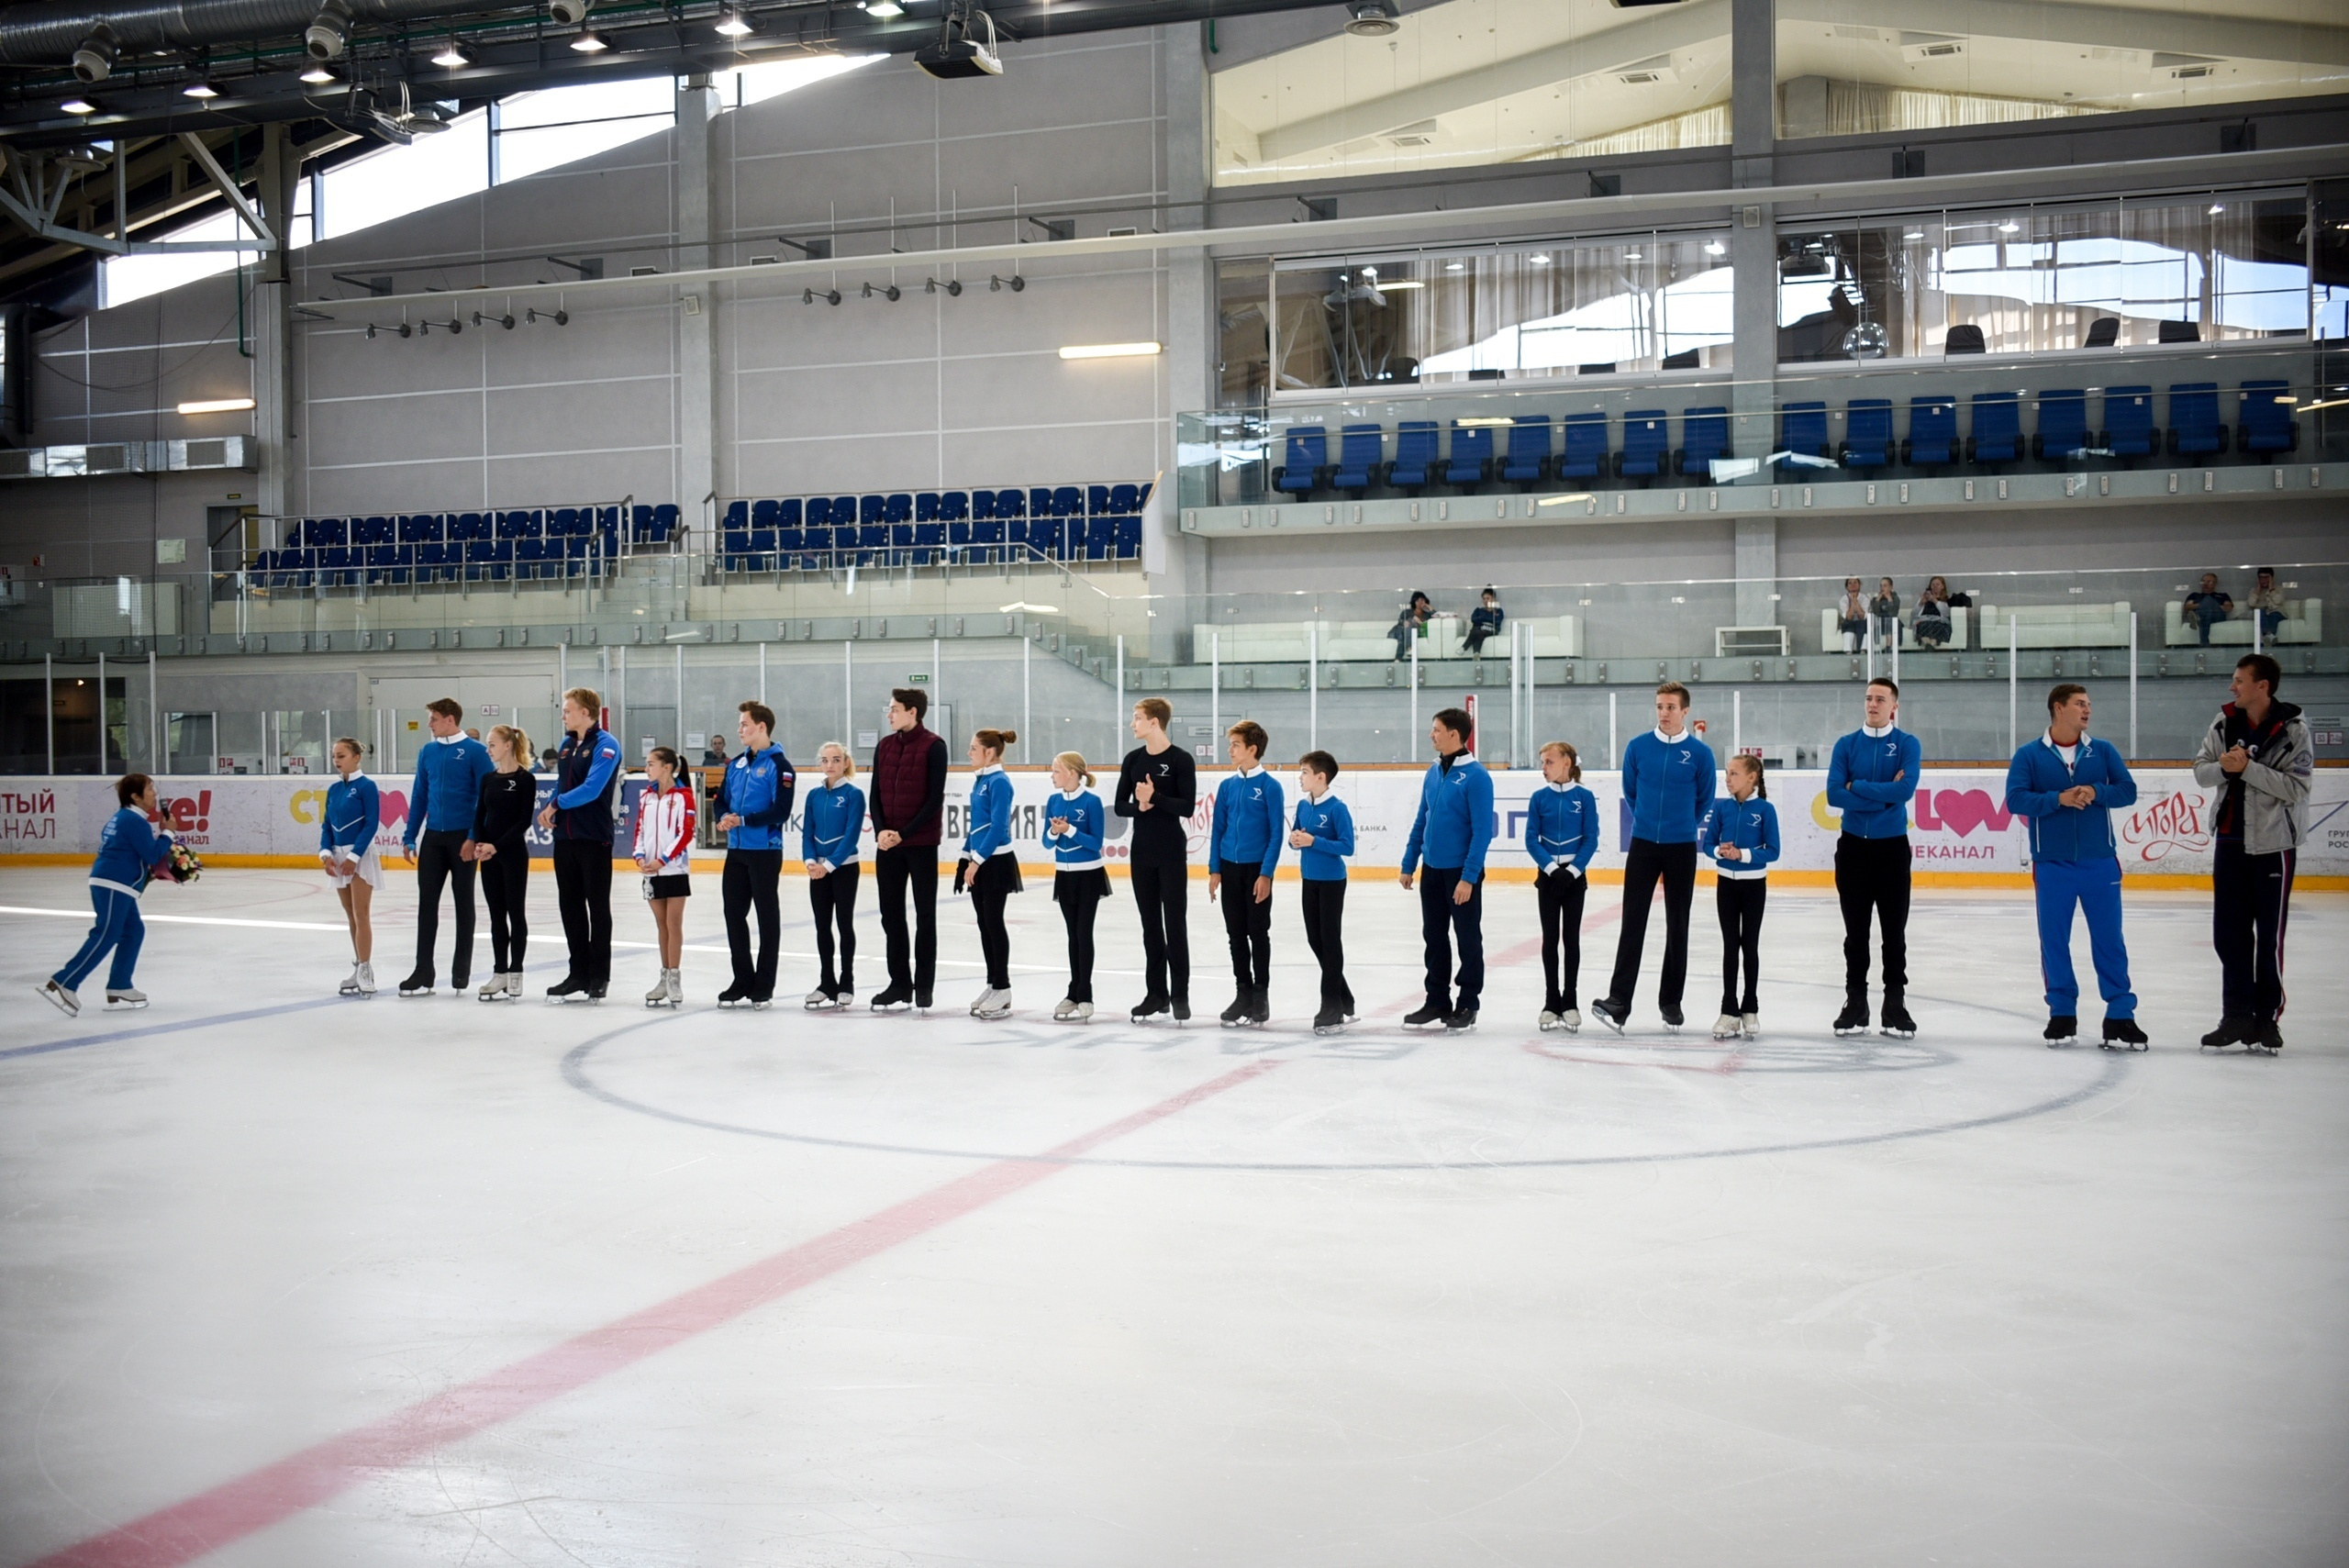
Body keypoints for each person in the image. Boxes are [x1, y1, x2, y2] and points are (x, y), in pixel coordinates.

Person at [2005, 684, 2144, 1050]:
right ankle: (2062, 1012)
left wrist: (2098, 792)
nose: (2087, 711)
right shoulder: (2030, 756)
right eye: (2080, 704)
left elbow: (2127, 791)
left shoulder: (2103, 751)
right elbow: (2015, 799)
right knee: (2054, 941)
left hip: (2100, 863)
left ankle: (2120, 1014)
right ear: (2059, 708)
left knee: (2109, 940)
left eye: (2089, 705)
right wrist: (2058, 799)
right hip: (2052, 865)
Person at [2193, 653, 2312, 1054]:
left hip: (2273, 845)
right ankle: (2236, 1014)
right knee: (2229, 935)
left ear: (2263, 685)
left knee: (2269, 939)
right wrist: (2226, 768)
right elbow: (2201, 770)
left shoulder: (2293, 730)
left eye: (2239, 680)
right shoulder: (2225, 722)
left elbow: (2297, 787)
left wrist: (2246, 770)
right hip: (2229, 841)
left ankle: (2266, 1019)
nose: (2232, 687)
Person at [1592, 684, 1715, 1035]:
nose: (1664, 712)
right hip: (1644, 844)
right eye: (1660, 706)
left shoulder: (1699, 754)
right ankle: (1619, 1001)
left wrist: (1682, 826)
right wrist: (1647, 820)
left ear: (1685, 711)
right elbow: (1631, 791)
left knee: (1678, 923)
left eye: (1671, 707)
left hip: (1680, 846)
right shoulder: (1638, 747)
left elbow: (1704, 798)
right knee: (1633, 921)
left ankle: (1671, 1001)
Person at [39, 773, 178, 1017]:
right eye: (149, 789)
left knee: (133, 931)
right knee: (107, 933)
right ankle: (65, 981)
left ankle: (120, 984)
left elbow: (130, 852)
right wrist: (168, 833)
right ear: (135, 796)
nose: (154, 794)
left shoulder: (124, 818)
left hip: (115, 883)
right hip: (114, 883)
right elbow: (152, 854)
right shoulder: (133, 821)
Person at [1827, 675, 1920, 1039]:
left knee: (1894, 933)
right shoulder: (1847, 745)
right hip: (1853, 849)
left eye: (1881, 699)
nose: (1873, 704)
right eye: (1868, 698)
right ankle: (1856, 1002)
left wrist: (1860, 788)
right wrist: (1884, 795)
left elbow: (1905, 789)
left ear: (1894, 706)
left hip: (1892, 849)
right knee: (1856, 934)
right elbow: (1834, 793)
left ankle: (1894, 1003)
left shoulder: (1908, 744)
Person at [1399, 706, 1493, 1032]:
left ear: (1455, 734)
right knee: (1434, 937)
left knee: (1467, 938)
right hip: (1432, 871)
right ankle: (1437, 999)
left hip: (1460, 874)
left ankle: (1468, 1002)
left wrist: (1468, 878)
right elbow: (1422, 819)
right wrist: (1409, 862)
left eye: (1437, 729)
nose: (1431, 735)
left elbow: (1482, 832)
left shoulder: (1477, 776)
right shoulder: (1434, 771)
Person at [398, 696, 493, 997]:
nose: (429, 724)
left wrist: (472, 836)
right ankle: (423, 969)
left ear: (450, 719)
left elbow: (484, 797)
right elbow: (419, 796)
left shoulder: (476, 752)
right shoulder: (427, 752)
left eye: (434, 718)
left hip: (461, 838)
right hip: (433, 838)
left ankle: (461, 968)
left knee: (464, 902)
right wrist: (410, 835)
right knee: (427, 904)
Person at [537, 686, 623, 1002]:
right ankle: (578, 973)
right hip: (565, 838)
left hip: (594, 837)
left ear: (586, 712)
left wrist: (556, 804)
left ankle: (599, 976)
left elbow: (591, 789)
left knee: (598, 908)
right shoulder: (566, 745)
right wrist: (550, 805)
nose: (563, 714)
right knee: (570, 906)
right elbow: (563, 783)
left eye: (568, 709)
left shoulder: (606, 745)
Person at [1116, 696, 1198, 1023]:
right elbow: (1120, 805)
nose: (1132, 724)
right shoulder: (1133, 759)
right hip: (1142, 852)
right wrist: (1141, 807)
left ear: (1155, 722)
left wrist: (1156, 797)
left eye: (1137, 718)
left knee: (1174, 924)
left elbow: (1187, 806)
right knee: (1150, 926)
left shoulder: (1180, 760)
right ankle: (1156, 994)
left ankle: (1180, 994)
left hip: (1171, 852)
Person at [868, 687, 948, 1012]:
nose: (889, 714)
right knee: (891, 916)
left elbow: (934, 799)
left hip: (921, 845)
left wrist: (903, 833)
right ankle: (900, 983)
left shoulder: (934, 746)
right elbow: (875, 793)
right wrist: (882, 832)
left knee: (925, 916)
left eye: (894, 709)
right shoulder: (884, 746)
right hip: (888, 845)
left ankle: (924, 986)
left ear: (913, 711)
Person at [713, 700, 795, 1009]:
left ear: (761, 727)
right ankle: (742, 978)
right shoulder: (736, 764)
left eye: (744, 724)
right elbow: (721, 799)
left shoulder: (779, 766)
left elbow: (780, 811)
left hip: (764, 851)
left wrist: (743, 820)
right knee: (733, 915)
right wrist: (723, 817)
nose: (739, 730)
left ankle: (764, 983)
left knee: (766, 917)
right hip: (736, 850)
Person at [1699, 754, 1779, 1041]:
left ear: (1752, 777)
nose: (1728, 778)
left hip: (1753, 886)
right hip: (1726, 886)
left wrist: (1742, 855)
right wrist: (1719, 852)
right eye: (1727, 773)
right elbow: (1708, 844)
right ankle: (1729, 1010)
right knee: (1730, 946)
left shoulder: (1765, 810)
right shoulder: (1722, 809)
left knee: (1750, 946)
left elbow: (1773, 851)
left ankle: (1750, 1008)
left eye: (1734, 773)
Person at [1208, 720, 1284, 1028]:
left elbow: (1277, 834)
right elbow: (1218, 830)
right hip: (1229, 867)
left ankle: (1260, 993)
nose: (1230, 750)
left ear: (1252, 749)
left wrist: (1265, 874)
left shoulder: (1270, 787)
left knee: (1258, 932)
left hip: (1256, 870)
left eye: (1235, 745)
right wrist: (1215, 869)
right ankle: (1242, 992)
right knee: (1235, 934)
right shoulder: (1227, 787)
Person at [1524, 740, 1599, 1033]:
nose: (1543, 768)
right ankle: (1550, 1001)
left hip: (1574, 879)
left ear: (1567, 763)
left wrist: (1574, 871)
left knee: (1571, 939)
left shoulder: (1585, 797)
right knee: (1549, 939)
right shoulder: (1539, 798)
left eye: (1549, 762)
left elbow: (1590, 838)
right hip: (1548, 877)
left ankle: (1570, 1001)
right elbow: (1532, 839)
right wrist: (1552, 869)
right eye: (1542, 762)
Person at [1288, 749, 1356, 1035]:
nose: (1300, 777)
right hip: (1309, 879)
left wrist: (1314, 841)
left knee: (1330, 940)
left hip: (1331, 881)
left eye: (1304, 772)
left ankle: (1332, 1005)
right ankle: (1345, 996)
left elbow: (1347, 847)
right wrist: (1295, 840)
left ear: (1321, 776)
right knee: (1315, 939)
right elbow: (1295, 838)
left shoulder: (1337, 809)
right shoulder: (1304, 806)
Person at [469, 723, 538, 1001]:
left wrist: (496, 846)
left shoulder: (525, 780)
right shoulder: (488, 779)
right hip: (489, 856)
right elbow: (479, 814)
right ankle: (500, 973)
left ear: (508, 745)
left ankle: (516, 971)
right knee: (496, 915)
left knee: (515, 913)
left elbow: (523, 821)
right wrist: (480, 845)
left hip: (512, 855)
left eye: (492, 744)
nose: (488, 750)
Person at [958, 728, 1019, 1019]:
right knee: (984, 924)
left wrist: (977, 860)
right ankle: (992, 983)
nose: (969, 753)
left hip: (995, 863)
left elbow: (998, 827)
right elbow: (977, 825)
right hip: (980, 860)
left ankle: (1004, 987)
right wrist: (964, 856)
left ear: (990, 752)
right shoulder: (981, 780)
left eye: (973, 748)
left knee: (994, 922)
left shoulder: (1000, 782)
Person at [1044, 751, 1108, 1023]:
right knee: (1073, 935)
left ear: (1072, 773)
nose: (1052, 775)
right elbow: (1047, 843)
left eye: (1056, 770)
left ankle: (1085, 993)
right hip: (1065, 875)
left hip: (1089, 876)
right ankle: (1073, 991)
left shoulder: (1092, 802)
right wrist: (1054, 832)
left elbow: (1096, 844)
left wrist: (1069, 830)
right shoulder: (1053, 800)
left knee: (1084, 933)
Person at [801, 740, 865, 1010]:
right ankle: (827, 981)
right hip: (817, 871)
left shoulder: (854, 795)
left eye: (836, 760)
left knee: (844, 923)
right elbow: (807, 831)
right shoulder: (814, 795)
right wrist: (810, 862)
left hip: (844, 868)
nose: (831, 765)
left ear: (846, 763)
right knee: (821, 925)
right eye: (826, 760)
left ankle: (846, 981)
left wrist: (828, 866)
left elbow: (851, 836)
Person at [632, 745, 696, 1008]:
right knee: (661, 925)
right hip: (651, 870)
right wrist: (639, 856)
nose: (647, 768)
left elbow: (686, 833)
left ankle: (674, 977)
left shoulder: (683, 797)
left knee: (673, 923)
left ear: (666, 767)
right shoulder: (646, 797)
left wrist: (664, 859)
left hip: (674, 870)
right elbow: (640, 829)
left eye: (650, 764)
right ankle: (664, 975)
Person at [319, 737, 382, 997]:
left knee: (361, 913)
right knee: (349, 914)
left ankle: (366, 969)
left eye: (341, 755)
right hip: (338, 856)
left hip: (360, 855)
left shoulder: (367, 786)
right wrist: (325, 854)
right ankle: (358, 966)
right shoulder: (334, 790)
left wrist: (354, 857)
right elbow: (326, 825)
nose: (337, 760)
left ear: (356, 757)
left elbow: (371, 824)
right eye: (334, 756)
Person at [2181, 573, 2233, 645]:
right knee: (2207, 606)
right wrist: (2205, 605)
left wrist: (2211, 605)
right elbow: (2187, 607)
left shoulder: (2222, 595)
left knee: (2208, 600)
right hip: (2204, 615)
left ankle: (2197, 619)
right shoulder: (2195, 595)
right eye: (2203, 582)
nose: (2205, 584)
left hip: (2217, 616)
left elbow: (2228, 608)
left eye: (2209, 582)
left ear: (2215, 584)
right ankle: (2204, 640)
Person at [1388, 590, 1433, 662]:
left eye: (1422, 600)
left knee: (1408, 629)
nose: (1420, 603)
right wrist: (1404, 622)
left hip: (1414, 632)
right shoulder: (1407, 612)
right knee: (1409, 621)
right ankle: (1409, 647)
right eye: (1417, 601)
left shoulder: (1427, 615)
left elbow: (1435, 620)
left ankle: (1398, 658)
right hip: (1399, 631)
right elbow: (1400, 621)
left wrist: (1430, 609)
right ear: (1414, 602)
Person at [1913, 576, 1954, 651]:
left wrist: (1935, 601)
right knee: (1923, 625)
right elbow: (1914, 614)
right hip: (1925, 620)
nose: (1935, 587)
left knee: (1938, 626)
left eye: (1937, 584)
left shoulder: (1946, 600)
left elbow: (1946, 613)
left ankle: (1931, 644)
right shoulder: (1923, 599)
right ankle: (1928, 645)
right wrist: (1921, 603)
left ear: (1942, 586)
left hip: (1939, 621)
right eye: (1932, 585)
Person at [1463, 587, 1504, 659]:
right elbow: (1474, 620)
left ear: (1493, 599)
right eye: (1484, 599)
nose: (1485, 600)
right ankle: (1476, 653)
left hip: (1492, 629)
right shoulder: (1478, 610)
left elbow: (1497, 621)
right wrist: (1488, 619)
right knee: (1479, 632)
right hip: (1480, 630)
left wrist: (1482, 618)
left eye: (1488, 598)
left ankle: (1464, 647)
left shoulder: (1498, 611)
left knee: (1477, 630)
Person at [2248, 567, 2287, 642]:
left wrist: (2271, 589)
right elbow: (2251, 604)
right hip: (2262, 614)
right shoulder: (2254, 591)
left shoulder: (2278, 589)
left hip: (2277, 613)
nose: (2263, 580)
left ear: (2271, 578)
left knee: (2274, 615)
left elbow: (2278, 601)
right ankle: (2270, 636)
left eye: (2266, 577)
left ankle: (2267, 637)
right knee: (2259, 612)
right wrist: (2257, 592)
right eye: (2261, 578)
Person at [1834, 577, 1868, 654]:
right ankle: (1848, 651)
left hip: (1861, 623)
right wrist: (1852, 602)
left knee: (1865, 624)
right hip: (1849, 622)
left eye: (1855, 582)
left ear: (1859, 585)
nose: (1853, 585)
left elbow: (1862, 617)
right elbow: (1849, 617)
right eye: (1850, 583)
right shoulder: (1843, 599)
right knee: (1848, 624)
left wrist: (1857, 602)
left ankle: (1863, 650)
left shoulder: (1865, 598)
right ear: (1847, 587)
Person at [1869, 577, 1901, 655]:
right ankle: (1877, 646)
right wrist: (1877, 600)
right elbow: (1875, 612)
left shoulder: (1895, 598)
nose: (1882, 588)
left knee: (1890, 620)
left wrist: (1889, 600)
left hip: (1891, 621)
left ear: (1891, 587)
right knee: (1876, 621)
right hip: (1880, 620)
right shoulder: (1875, 599)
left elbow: (1894, 613)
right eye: (1881, 586)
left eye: (1885, 586)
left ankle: (1888, 646)